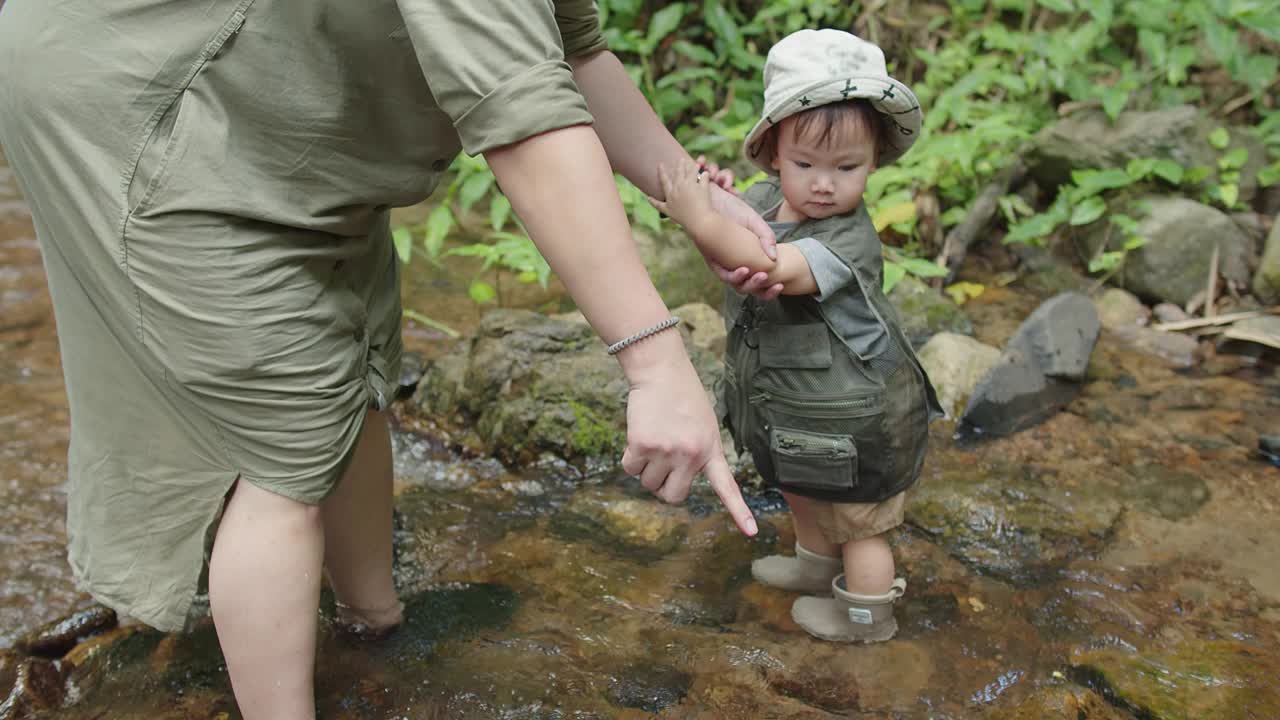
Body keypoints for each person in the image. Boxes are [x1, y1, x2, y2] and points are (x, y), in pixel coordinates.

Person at [0, 2, 778, 717]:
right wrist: (653, 361)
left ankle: (373, 623)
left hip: (277, 94)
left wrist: (693, 198)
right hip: (145, 94)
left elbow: (567, 52)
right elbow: (521, 116)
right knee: (284, 433)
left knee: (359, 343)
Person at [650, 28, 943, 644]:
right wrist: (710, 202)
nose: (823, 185)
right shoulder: (763, 201)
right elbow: (734, 243)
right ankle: (814, 569)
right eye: (805, 164)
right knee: (805, 487)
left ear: (875, 163)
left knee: (860, 522)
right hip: (801, 411)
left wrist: (699, 214)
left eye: (847, 168)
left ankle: (868, 616)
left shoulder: (848, 239)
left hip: (859, 414)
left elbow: (768, 266)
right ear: (773, 154)